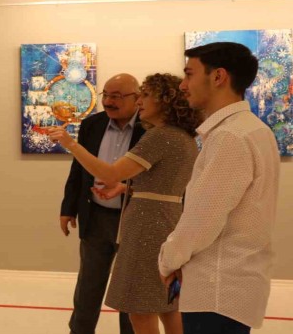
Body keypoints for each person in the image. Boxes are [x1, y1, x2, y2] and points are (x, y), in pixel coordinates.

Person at [51, 73, 200, 334]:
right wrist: (125, 188)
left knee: (139, 308)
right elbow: (163, 185)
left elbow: (110, 174)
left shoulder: (159, 136)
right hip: (164, 220)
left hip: (147, 227)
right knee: (167, 303)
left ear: (164, 101)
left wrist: (70, 143)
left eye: (146, 95)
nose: (141, 101)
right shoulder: (181, 136)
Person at [158, 42, 280, 334]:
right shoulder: (252, 130)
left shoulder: (230, 136)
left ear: (218, 76)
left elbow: (202, 220)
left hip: (216, 288)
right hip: (230, 286)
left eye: (189, 74)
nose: (183, 85)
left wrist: (168, 260)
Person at [59, 73, 144, 334]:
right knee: (88, 285)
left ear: (137, 98)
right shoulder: (92, 125)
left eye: (116, 96)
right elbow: (79, 169)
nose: (108, 101)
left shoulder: (151, 129)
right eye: (105, 95)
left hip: (134, 220)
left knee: (130, 289)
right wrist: (68, 208)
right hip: (95, 217)